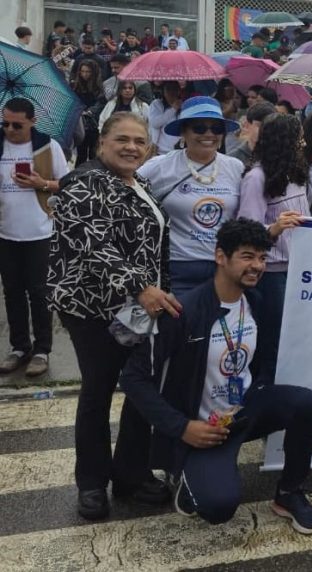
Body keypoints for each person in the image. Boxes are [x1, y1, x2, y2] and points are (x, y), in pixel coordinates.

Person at [119, 218, 312, 534]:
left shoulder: (256, 301)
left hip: (242, 413)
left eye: (261, 258)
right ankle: (187, 479)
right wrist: (183, 427)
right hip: (202, 429)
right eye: (246, 256)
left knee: (306, 403)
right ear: (220, 257)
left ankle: (288, 494)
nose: (256, 265)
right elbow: (133, 379)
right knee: (218, 507)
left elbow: (264, 359)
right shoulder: (182, 311)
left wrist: (259, 388)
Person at [48, 112, 174, 519]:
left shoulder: (142, 184)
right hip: (92, 310)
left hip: (138, 311)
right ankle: (91, 482)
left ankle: (130, 475)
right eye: (122, 139)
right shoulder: (83, 183)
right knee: (98, 393)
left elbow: (153, 246)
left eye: (139, 141)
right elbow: (93, 245)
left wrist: (158, 291)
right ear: (102, 142)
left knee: (139, 390)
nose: (131, 147)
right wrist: (142, 287)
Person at [139, 96, 245, 295]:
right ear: (183, 132)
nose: (209, 134)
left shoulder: (235, 167)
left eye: (216, 129)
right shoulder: (160, 166)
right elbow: (127, 192)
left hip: (223, 268)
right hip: (177, 269)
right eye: (199, 128)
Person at [0, 98, 68, 376]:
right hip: (5, 233)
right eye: (5, 123)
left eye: (17, 124)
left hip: (40, 232)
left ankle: (42, 350)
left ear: (32, 122)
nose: (10, 129)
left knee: (40, 294)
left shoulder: (47, 146)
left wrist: (43, 184)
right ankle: (19, 347)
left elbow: (68, 183)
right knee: (12, 292)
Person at [238, 114, 308, 375]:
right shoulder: (256, 178)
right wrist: (274, 229)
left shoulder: (295, 174)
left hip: (297, 270)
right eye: (298, 139)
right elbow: (247, 229)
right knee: (271, 342)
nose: (303, 144)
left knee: (290, 342)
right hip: (271, 275)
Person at [71, 59, 105, 166]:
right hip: (79, 122)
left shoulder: (99, 87)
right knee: (81, 154)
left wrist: (90, 111)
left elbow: (101, 103)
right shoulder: (75, 86)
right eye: (83, 71)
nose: (85, 74)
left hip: (93, 123)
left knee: (93, 153)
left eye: (88, 72)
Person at [148, 82, 183, 154]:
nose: (171, 92)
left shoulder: (184, 105)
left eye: (174, 89)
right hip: (161, 151)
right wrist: (173, 109)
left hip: (179, 151)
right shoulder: (157, 104)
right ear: (163, 91)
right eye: (168, 89)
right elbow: (155, 123)